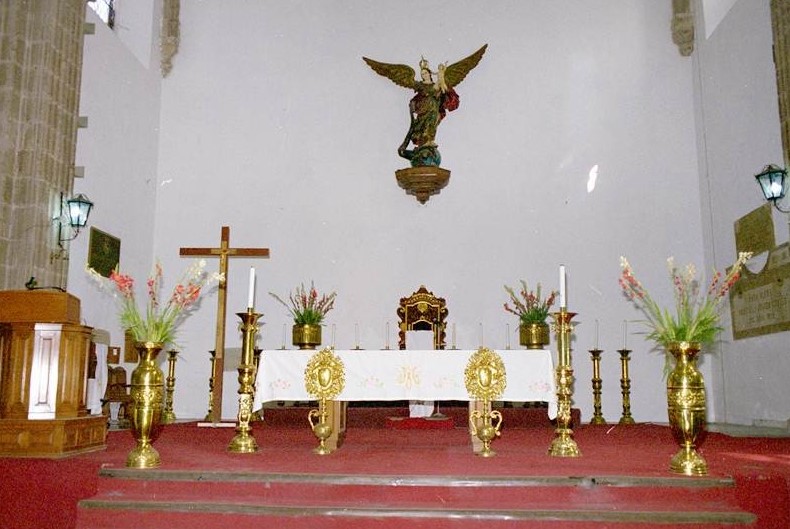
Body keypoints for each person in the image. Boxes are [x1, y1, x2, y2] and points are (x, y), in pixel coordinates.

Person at [363, 44, 487, 167]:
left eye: (425, 73)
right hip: (423, 109)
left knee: (433, 116)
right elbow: (429, 90)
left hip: (434, 110)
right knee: (426, 120)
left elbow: (441, 88)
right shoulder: (420, 86)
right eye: (422, 74)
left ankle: (429, 141)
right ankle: (425, 142)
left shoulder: (437, 85)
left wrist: (442, 75)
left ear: (429, 73)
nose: (424, 75)